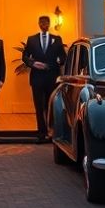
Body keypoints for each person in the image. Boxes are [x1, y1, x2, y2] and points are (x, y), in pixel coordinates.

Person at [22, 14, 64, 142]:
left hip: (52, 77)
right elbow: (25, 56)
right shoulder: (32, 39)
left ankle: (52, 131)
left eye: (46, 22)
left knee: (50, 105)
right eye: (42, 22)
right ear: (39, 24)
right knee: (39, 106)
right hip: (37, 78)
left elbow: (63, 57)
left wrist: (59, 61)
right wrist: (33, 63)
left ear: (49, 24)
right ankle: (41, 132)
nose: (44, 24)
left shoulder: (56, 39)